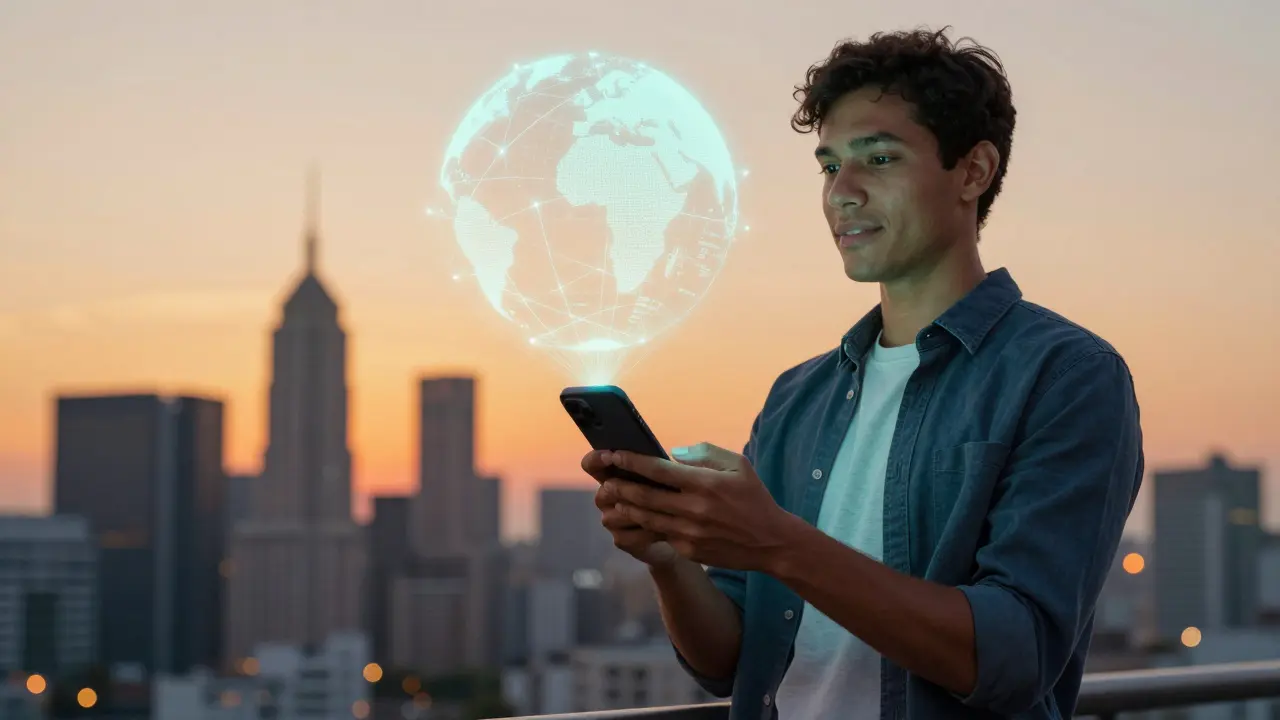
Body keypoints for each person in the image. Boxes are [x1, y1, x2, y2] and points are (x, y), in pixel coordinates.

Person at [582, 26, 1143, 720]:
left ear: (973, 171)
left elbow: (1013, 656)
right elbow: (728, 662)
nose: (841, 193)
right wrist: (668, 557)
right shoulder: (797, 398)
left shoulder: (1068, 376)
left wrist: (780, 545)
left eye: (878, 158)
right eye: (828, 166)